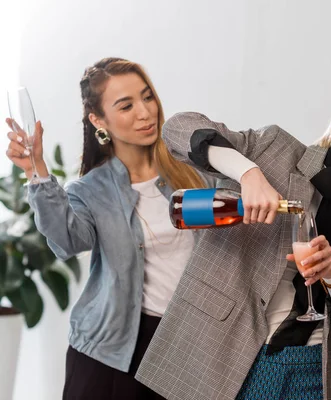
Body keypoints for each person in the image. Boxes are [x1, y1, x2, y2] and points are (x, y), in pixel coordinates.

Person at [134, 71, 331, 399]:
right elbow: (177, 128)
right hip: (233, 356)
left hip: (316, 366)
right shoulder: (274, 149)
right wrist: (248, 173)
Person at [5, 57, 210, 399]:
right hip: (110, 354)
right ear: (98, 120)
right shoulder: (90, 190)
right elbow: (68, 241)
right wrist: (35, 169)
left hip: (183, 345)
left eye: (147, 97)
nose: (146, 112)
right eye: (126, 105)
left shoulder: (193, 173)